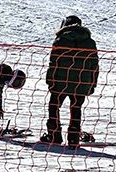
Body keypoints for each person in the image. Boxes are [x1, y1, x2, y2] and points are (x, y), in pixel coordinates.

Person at [42, 14, 99, 146]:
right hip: (81, 83)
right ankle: (73, 139)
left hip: (61, 83)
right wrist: (92, 84)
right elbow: (94, 65)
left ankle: (54, 135)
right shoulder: (90, 43)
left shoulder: (60, 40)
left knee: (54, 107)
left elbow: (53, 63)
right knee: (76, 109)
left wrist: (50, 81)